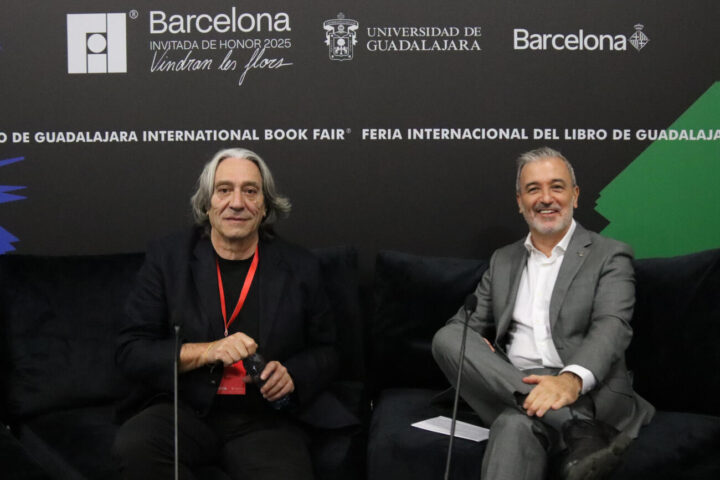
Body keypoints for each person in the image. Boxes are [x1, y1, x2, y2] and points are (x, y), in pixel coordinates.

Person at [114, 147, 340, 480]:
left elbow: (329, 350)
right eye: (224, 190)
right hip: (184, 410)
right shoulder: (168, 259)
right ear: (207, 203)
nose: (237, 202)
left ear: (265, 206)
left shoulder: (300, 267)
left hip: (263, 420)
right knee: (135, 447)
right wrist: (207, 351)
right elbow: (131, 351)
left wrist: (293, 374)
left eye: (250, 191)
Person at [432, 147, 654, 480]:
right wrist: (480, 348)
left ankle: (563, 415)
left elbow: (612, 326)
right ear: (520, 201)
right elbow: (463, 328)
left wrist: (570, 380)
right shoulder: (503, 260)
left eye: (557, 187)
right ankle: (579, 430)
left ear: (575, 195)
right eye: (533, 189)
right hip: (512, 381)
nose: (546, 198)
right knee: (448, 337)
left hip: (583, 389)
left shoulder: (609, 254)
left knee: (513, 424)